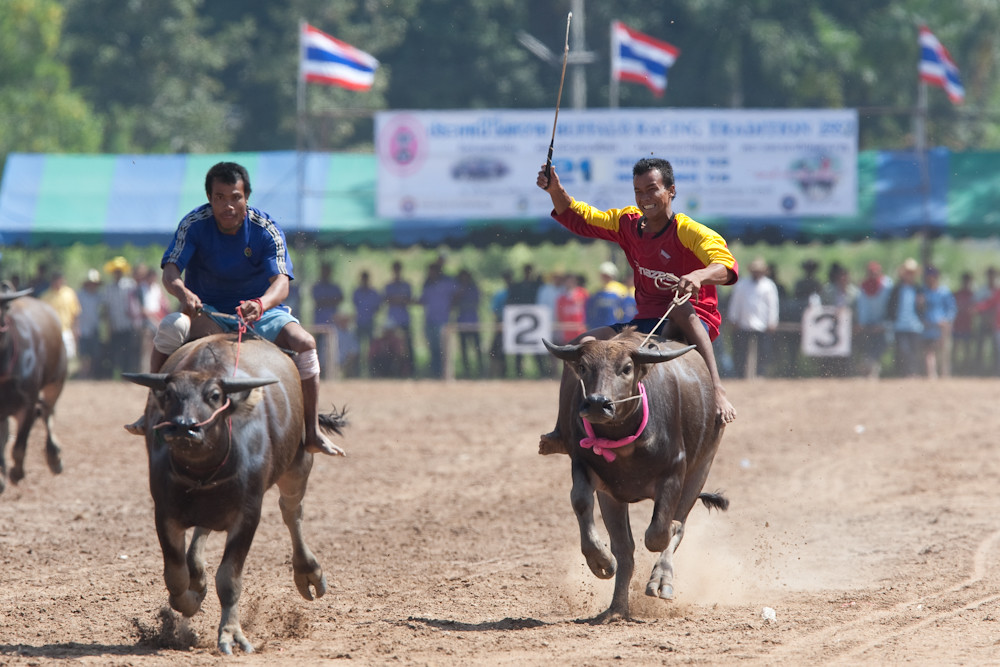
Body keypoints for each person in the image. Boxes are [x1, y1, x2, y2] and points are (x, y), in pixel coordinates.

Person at [124, 161, 341, 456]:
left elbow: (281, 283)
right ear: (209, 198)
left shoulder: (266, 229)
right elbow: (170, 271)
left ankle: (312, 431)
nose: (228, 206)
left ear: (246, 196)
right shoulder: (194, 224)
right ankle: (151, 409)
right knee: (171, 327)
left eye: (235, 197)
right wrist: (183, 293)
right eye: (220, 198)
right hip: (207, 313)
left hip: (260, 312)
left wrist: (261, 304)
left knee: (305, 343)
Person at [536, 156, 738, 456]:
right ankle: (563, 433)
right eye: (638, 191)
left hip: (693, 318)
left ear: (671, 190)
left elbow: (727, 266)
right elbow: (580, 217)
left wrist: (699, 275)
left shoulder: (688, 231)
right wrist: (555, 190)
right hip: (645, 321)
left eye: (652, 189)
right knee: (580, 345)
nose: (644, 198)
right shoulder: (627, 223)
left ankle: (717, 389)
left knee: (680, 307)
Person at [726, 258, 779, 378]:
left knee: (763, 351)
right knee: (740, 351)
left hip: (762, 323)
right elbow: (735, 302)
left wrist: (772, 321)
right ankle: (740, 374)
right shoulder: (742, 284)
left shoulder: (769, 286)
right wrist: (733, 318)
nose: (757, 273)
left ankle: (761, 373)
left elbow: (773, 305)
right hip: (744, 322)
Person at [101, 256, 142, 379]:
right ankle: (116, 374)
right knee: (115, 351)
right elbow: (107, 308)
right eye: (115, 271)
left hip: (128, 324)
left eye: (119, 271)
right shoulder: (108, 288)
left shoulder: (130, 285)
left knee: (129, 350)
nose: (117, 274)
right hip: (115, 325)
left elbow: (136, 303)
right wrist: (109, 325)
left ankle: (127, 374)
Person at [887, 258, 925, 378]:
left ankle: (913, 372)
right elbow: (891, 306)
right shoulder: (897, 289)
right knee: (903, 350)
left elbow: (923, 309)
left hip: (915, 325)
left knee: (914, 351)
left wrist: (921, 305)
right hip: (900, 325)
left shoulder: (918, 289)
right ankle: (904, 372)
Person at [854, 261, 893, 378]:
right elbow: (862, 306)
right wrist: (862, 323)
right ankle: (870, 370)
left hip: (883, 324)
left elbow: (891, 305)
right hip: (868, 324)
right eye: (871, 273)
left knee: (882, 344)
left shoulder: (887, 286)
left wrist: (884, 324)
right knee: (867, 346)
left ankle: (871, 367)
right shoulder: (864, 287)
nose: (873, 275)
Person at [40, 271, 82, 371]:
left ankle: (65, 373)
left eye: (59, 280)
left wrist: (76, 328)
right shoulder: (45, 297)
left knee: (68, 355)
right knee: (53, 355)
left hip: (66, 329)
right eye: (55, 281)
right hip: (51, 332)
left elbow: (75, 312)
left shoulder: (69, 293)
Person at [920, 266, 956, 379]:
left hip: (942, 327)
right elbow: (920, 310)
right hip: (928, 326)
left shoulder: (944, 292)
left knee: (943, 351)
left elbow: (951, 309)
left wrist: (947, 320)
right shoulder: (924, 292)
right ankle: (932, 374)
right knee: (929, 351)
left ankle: (945, 374)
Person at [384, 260, 415, 374]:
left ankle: (409, 369)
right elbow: (387, 300)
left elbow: (409, 300)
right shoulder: (388, 286)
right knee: (392, 346)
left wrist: (396, 299)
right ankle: (393, 370)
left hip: (404, 320)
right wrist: (401, 299)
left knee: (407, 346)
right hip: (392, 320)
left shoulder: (406, 285)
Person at [453, 268, 484, 377]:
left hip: (473, 321)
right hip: (462, 321)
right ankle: (466, 370)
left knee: (477, 347)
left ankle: (481, 369)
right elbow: (453, 302)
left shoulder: (474, 288)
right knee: (464, 348)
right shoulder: (457, 288)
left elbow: (477, 302)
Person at [351, 270, 382, 375]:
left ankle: (372, 371)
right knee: (357, 349)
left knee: (373, 349)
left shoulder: (374, 293)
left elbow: (378, 307)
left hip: (370, 322)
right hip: (360, 323)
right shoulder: (357, 292)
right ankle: (358, 372)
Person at [76, 269, 104, 379]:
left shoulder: (98, 296)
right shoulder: (80, 296)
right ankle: (83, 374)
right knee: (84, 354)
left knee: (94, 354)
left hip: (94, 328)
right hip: (83, 329)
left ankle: (91, 374)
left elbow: (102, 311)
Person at [585, 261, 628, 329]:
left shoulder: (621, 289)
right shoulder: (598, 290)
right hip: (600, 325)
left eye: (607, 275)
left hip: (614, 325)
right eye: (603, 275)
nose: (605, 278)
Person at [950, 271, 976, 375]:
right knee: (955, 349)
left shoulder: (972, 295)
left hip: (967, 326)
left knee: (967, 350)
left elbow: (974, 310)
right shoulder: (956, 294)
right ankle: (954, 370)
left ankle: (966, 370)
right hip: (957, 325)